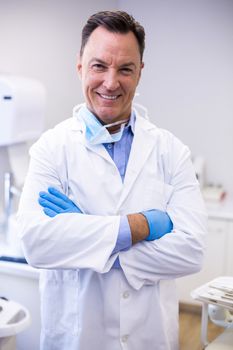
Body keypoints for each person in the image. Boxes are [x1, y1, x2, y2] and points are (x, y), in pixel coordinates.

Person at [17, 10, 207, 350]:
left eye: (125, 69)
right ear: (80, 66)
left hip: (150, 337)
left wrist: (86, 233)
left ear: (140, 73)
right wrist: (139, 227)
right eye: (99, 65)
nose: (110, 82)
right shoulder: (52, 148)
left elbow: (191, 252)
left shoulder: (171, 151)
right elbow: (35, 243)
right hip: (76, 338)